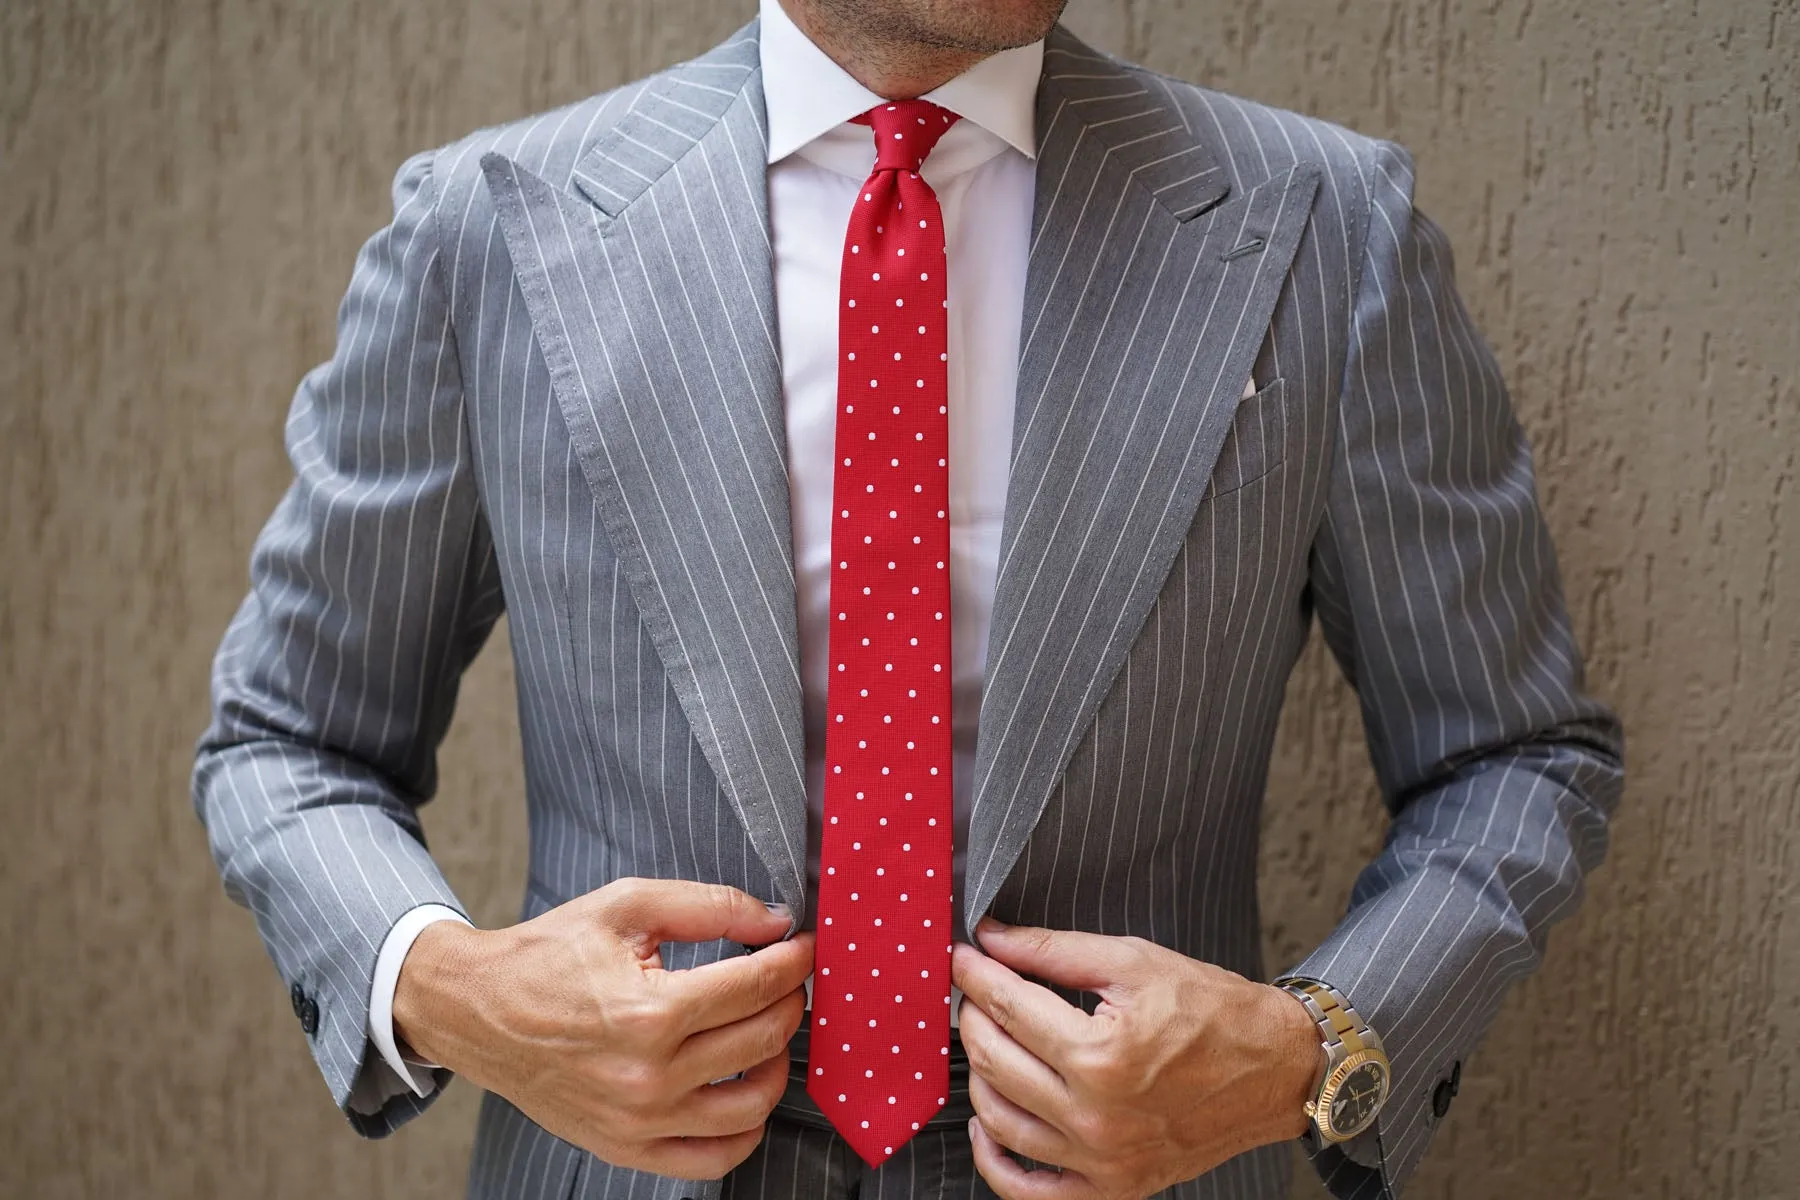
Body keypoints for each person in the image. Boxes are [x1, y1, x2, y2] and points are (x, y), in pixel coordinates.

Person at [192, 0, 1625, 1196]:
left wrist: (1310, 1049)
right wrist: (452, 991)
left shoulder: (1325, 232)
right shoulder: (487, 232)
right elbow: (285, 737)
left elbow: (1512, 759)